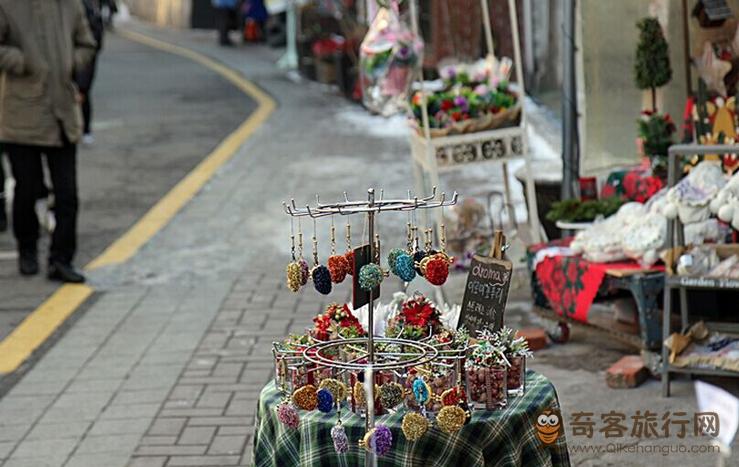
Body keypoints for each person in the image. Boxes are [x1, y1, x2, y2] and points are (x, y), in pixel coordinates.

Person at [0, 1, 97, 283]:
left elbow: (87, 43)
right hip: (22, 112)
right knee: (27, 189)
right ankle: (27, 249)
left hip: (62, 112)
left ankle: (61, 259)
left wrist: (70, 61)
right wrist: (22, 61)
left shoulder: (70, 4)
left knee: (67, 194)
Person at [76, 0, 105, 145]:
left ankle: (86, 130)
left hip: (80, 63)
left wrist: (82, 85)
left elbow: (93, 45)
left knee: (83, 96)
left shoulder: (86, 8)